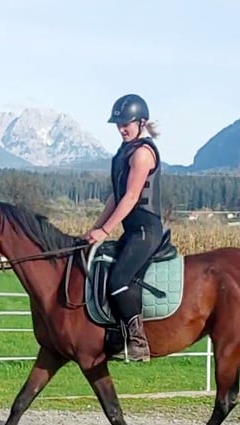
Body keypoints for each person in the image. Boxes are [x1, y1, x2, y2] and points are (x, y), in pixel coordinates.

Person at [84, 93, 164, 362]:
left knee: (119, 280)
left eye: (125, 123)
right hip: (131, 230)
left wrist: (105, 231)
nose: (121, 128)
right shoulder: (125, 150)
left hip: (146, 229)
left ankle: (138, 342)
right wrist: (95, 229)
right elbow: (115, 196)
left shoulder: (142, 153)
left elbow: (131, 197)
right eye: (118, 124)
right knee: (105, 271)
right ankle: (116, 332)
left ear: (141, 122)